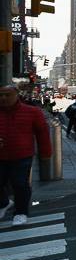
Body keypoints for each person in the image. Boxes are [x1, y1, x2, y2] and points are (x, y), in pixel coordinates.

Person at [0, 86, 52, 226]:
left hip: (22, 155)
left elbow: (42, 134)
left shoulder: (32, 112)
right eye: (1, 95)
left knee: (20, 184)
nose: (3, 98)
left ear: (16, 95)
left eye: (7, 95)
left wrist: (46, 154)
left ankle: (21, 212)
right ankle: (4, 203)